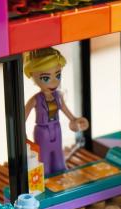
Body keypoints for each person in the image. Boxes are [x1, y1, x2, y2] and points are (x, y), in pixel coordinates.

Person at [23, 48, 89, 176]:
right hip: (42, 131)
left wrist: (74, 120)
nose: (54, 82)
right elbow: (22, 119)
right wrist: (22, 135)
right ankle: (45, 175)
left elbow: (65, 110)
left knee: (58, 154)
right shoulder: (35, 99)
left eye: (58, 75)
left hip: (56, 129)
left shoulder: (58, 96)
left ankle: (60, 170)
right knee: (44, 157)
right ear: (33, 75)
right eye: (46, 78)